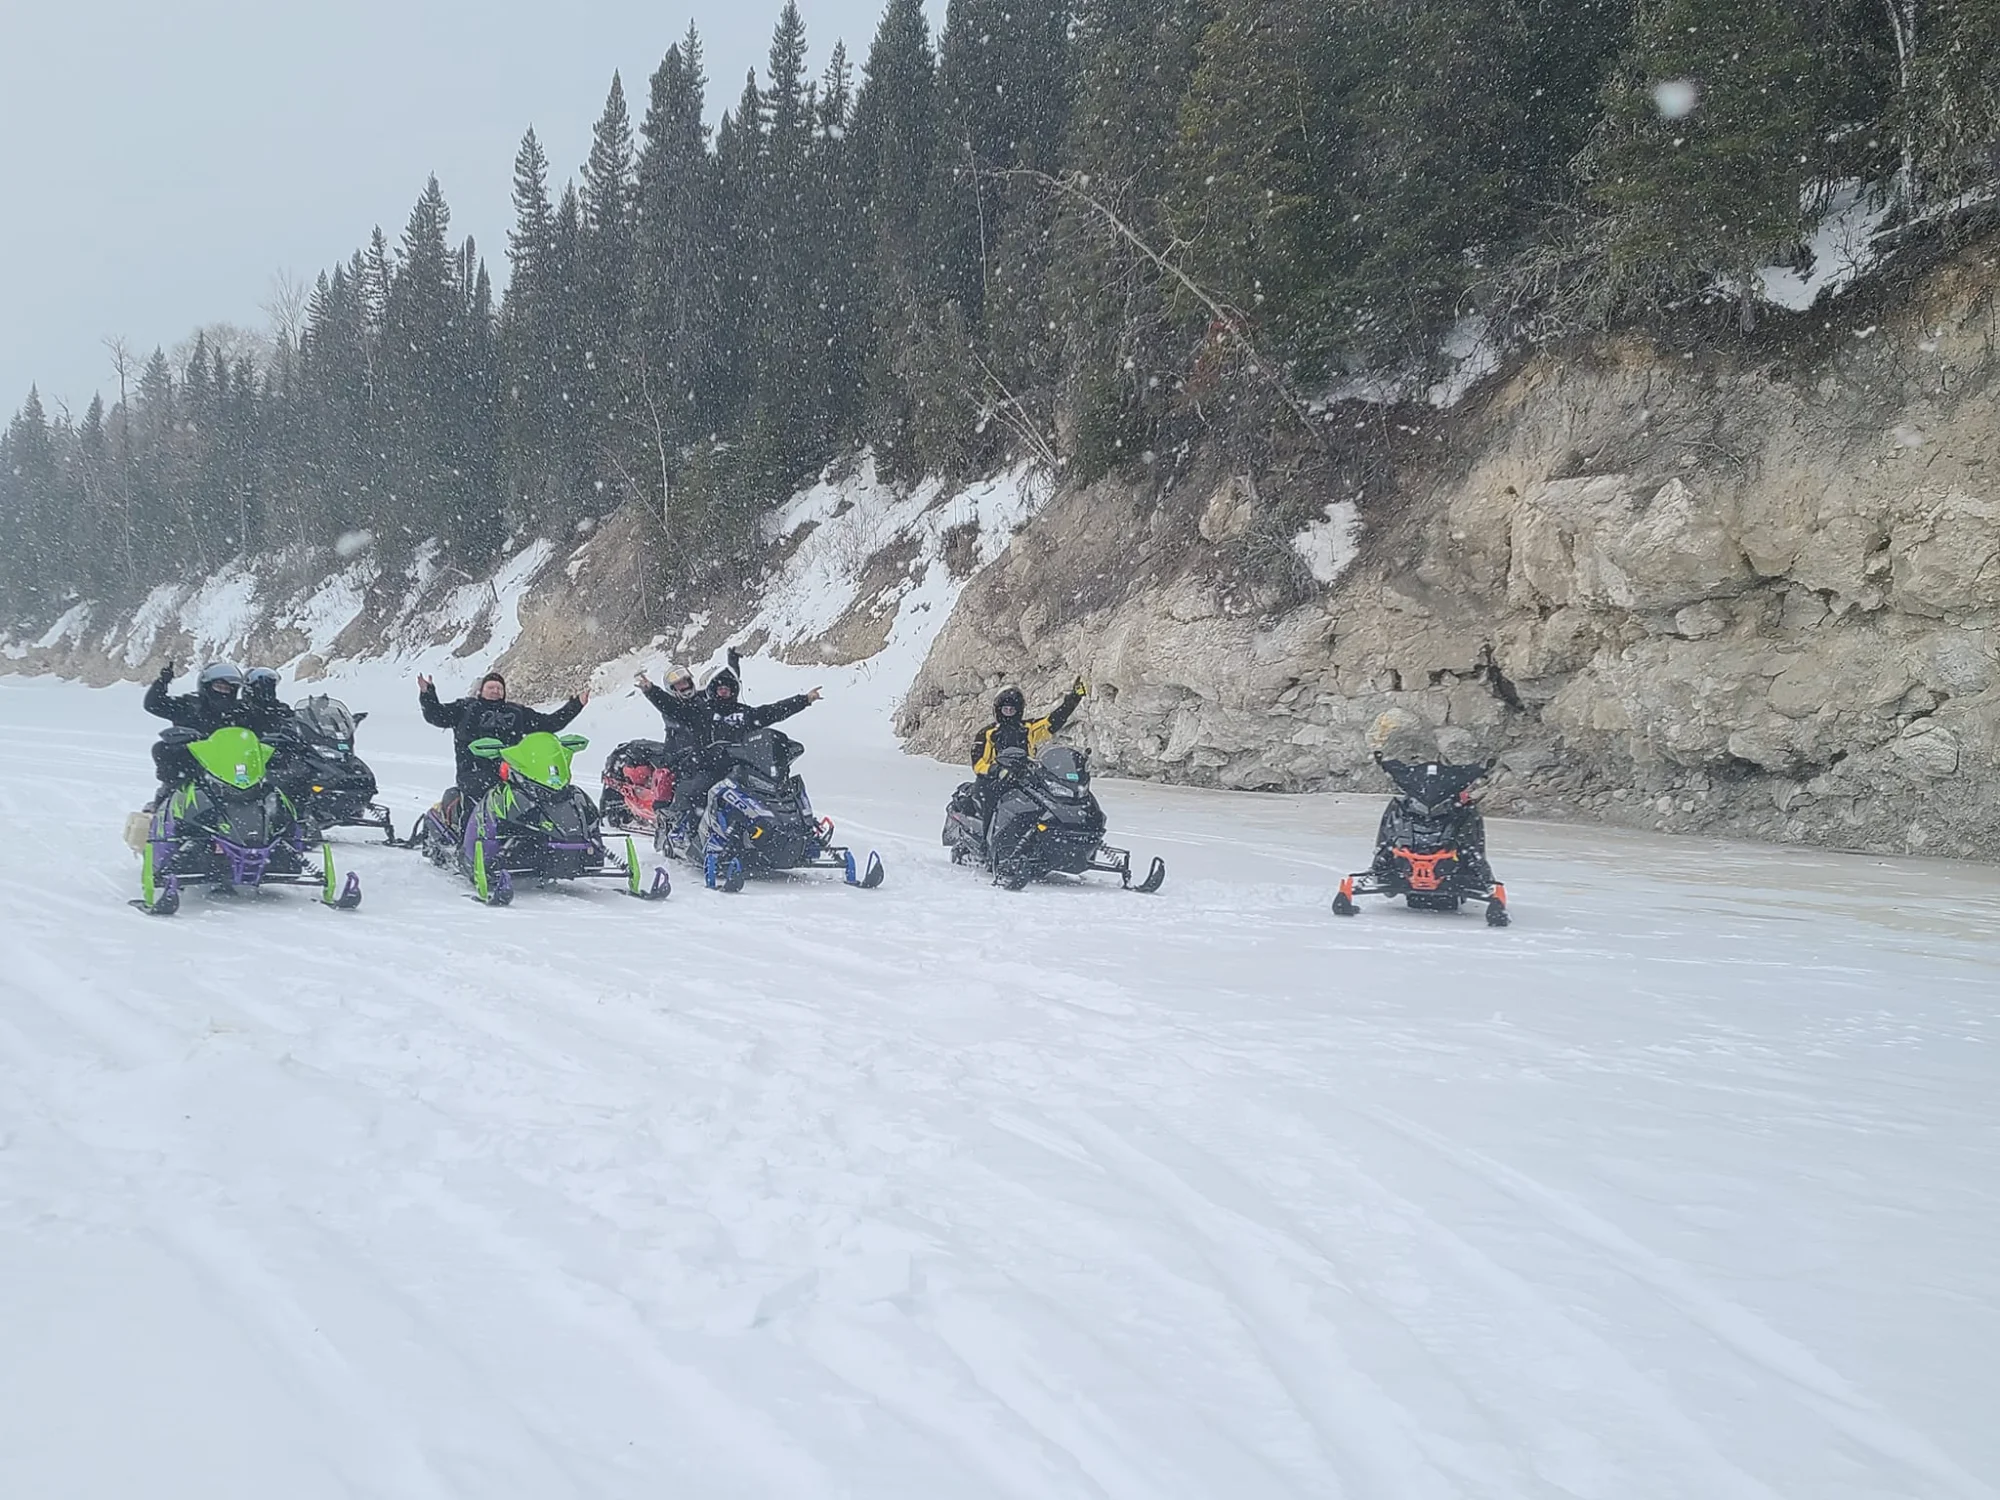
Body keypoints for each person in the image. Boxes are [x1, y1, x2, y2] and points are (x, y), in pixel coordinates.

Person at [654, 663, 822, 834]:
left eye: (727, 688)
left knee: (772, 792)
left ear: (734, 690)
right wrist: (650, 690)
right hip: (711, 766)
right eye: (720, 688)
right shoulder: (701, 712)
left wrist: (804, 700)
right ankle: (687, 832)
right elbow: (671, 707)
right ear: (712, 690)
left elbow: (773, 711)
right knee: (699, 792)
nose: (723, 691)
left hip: (740, 766)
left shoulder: (745, 714)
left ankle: (791, 828)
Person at [418, 670, 589, 827]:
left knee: (542, 795)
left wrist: (576, 705)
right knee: (478, 800)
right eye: (491, 687)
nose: (495, 691)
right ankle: (467, 843)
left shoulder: (516, 712)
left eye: (499, 688)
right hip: (474, 771)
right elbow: (437, 715)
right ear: (481, 690)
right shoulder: (465, 708)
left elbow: (549, 723)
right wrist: (427, 694)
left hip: (515, 771)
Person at [969, 676, 1088, 833]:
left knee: (1051, 798)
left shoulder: (1028, 728)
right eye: (1006, 709)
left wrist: (1073, 699)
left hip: (1026, 777)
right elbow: (978, 763)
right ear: (998, 710)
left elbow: (1052, 722)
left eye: (1012, 710)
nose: (1009, 713)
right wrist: (994, 770)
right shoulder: (987, 733)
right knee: (988, 799)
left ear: (1019, 710)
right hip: (996, 779)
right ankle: (986, 840)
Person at [142, 661, 259, 807]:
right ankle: (163, 804)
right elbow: (153, 704)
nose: (224, 692)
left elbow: (260, 727)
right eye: (219, 686)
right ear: (206, 686)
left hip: (231, 766)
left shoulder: (240, 710)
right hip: (193, 764)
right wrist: (162, 683)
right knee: (164, 752)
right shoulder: (190, 705)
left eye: (228, 689)